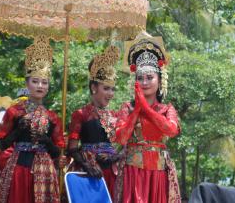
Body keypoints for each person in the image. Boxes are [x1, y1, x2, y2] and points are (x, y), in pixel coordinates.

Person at [0, 38, 65, 203]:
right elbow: (0, 145)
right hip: (19, 169)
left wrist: (46, 141)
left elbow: (57, 154)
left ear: (48, 86)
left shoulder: (53, 117)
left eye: (44, 82)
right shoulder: (15, 111)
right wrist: (18, 132)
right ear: (27, 83)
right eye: (35, 81)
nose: (40, 85)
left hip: (45, 172)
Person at [114, 32, 181, 203]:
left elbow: (171, 130)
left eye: (150, 77)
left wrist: (145, 108)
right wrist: (137, 110)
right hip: (132, 172)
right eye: (140, 78)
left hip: (158, 173)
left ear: (160, 80)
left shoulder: (167, 109)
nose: (145, 82)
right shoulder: (127, 108)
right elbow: (121, 138)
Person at [67, 45, 121, 199]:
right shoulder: (81, 114)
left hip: (112, 170)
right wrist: (87, 165)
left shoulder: (116, 115)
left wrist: (116, 157)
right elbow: (72, 148)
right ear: (93, 87)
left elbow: (124, 144)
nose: (111, 94)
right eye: (106, 88)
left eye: (112, 89)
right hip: (88, 171)